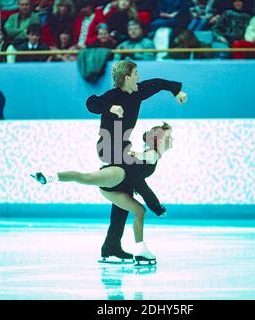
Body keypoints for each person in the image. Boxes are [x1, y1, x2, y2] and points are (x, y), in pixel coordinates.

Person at [86, 61, 187, 262]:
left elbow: (158, 83)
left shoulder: (138, 92)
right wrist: (110, 107)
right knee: (134, 173)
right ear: (127, 77)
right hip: (107, 146)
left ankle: (111, 246)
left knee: (125, 196)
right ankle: (154, 204)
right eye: (136, 73)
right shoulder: (112, 96)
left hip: (122, 147)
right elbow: (91, 103)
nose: (139, 77)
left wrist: (176, 91)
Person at [31, 123, 174, 264]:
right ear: (159, 139)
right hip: (118, 175)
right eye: (169, 136)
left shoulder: (152, 152)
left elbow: (141, 177)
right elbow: (146, 161)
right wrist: (157, 207)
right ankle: (48, 177)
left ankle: (116, 248)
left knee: (138, 211)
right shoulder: (153, 153)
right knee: (86, 177)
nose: (172, 139)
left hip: (120, 188)